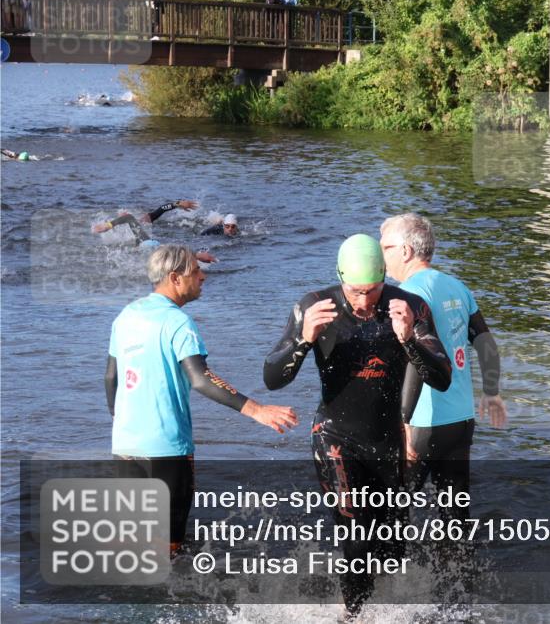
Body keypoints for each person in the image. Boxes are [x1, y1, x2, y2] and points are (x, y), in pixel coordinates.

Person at [263, 233, 451, 616]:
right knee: (356, 535)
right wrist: (303, 340)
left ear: (385, 278)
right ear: (339, 278)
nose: (363, 302)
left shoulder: (410, 305)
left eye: (372, 291)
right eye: (354, 292)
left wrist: (409, 339)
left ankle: (366, 601)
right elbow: (272, 378)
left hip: (387, 442)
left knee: (392, 547)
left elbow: (442, 377)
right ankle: (351, 613)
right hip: (335, 439)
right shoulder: (315, 306)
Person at [107, 245, 298, 554]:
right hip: (166, 450)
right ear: (174, 278)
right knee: (169, 548)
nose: (203, 277)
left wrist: (123, 420)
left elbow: (110, 378)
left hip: (125, 446)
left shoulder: (125, 315)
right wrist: (256, 409)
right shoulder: (177, 323)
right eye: (195, 271)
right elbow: (200, 378)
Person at [379, 214, 505, 522]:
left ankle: (387, 570)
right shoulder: (457, 286)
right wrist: (491, 393)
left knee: (392, 513)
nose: (380, 256)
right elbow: (486, 342)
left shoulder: (405, 296)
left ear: (406, 251)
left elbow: (415, 359)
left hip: (421, 422)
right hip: (461, 420)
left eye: (385, 248)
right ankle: (458, 569)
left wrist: (404, 423)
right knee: (455, 514)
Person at [93, 199, 215, 263]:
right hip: (151, 247)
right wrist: (107, 226)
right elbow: (128, 218)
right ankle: (196, 256)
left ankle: (196, 257)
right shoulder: (132, 232)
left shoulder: (143, 223)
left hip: (151, 248)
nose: (144, 218)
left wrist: (177, 204)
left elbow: (161, 209)